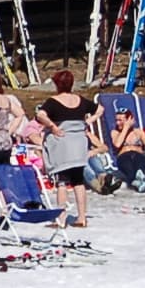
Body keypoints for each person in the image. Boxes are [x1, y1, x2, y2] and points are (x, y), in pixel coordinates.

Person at [36, 70, 99, 226]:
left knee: (62, 182)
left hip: (63, 145)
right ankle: (82, 217)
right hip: (79, 144)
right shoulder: (80, 100)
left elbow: (40, 115)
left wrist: (52, 126)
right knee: (78, 181)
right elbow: (100, 109)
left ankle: (61, 218)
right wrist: (87, 122)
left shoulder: (53, 101)